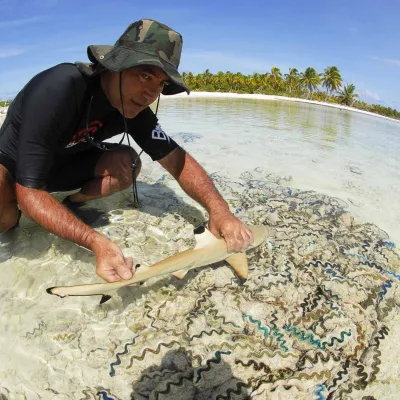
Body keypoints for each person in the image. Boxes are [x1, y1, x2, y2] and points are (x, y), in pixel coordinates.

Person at [0, 19, 253, 283]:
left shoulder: (134, 107)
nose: (151, 93)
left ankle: (72, 204)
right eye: (145, 75)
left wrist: (219, 209)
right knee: (4, 213)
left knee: (127, 164)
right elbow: (30, 191)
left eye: (161, 84)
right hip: (14, 167)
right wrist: (94, 241)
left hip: (65, 164)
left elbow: (178, 161)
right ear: (115, 65)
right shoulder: (59, 88)